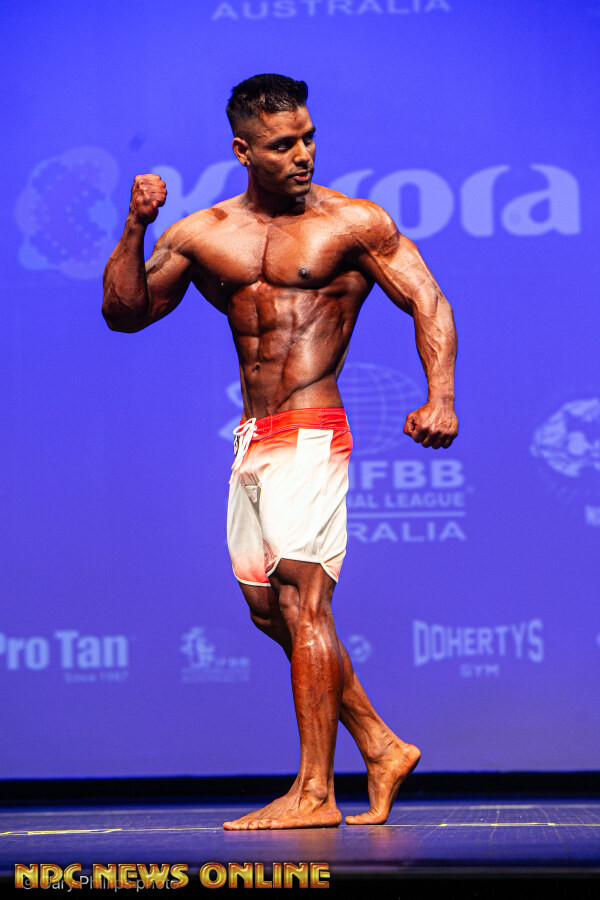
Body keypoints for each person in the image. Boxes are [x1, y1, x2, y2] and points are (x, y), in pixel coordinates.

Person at [102, 73, 458, 831]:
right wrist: (134, 227)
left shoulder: (351, 224)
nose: (303, 154)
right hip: (254, 436)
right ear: (242, 150)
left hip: (312, 426)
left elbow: (427, 299)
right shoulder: (204, 233)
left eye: (308, 137)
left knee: (304, 602)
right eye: (283, 144)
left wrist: (441, 396)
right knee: (269, 610)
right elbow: (127, 313)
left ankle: (315, 792)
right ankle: (381, 745)